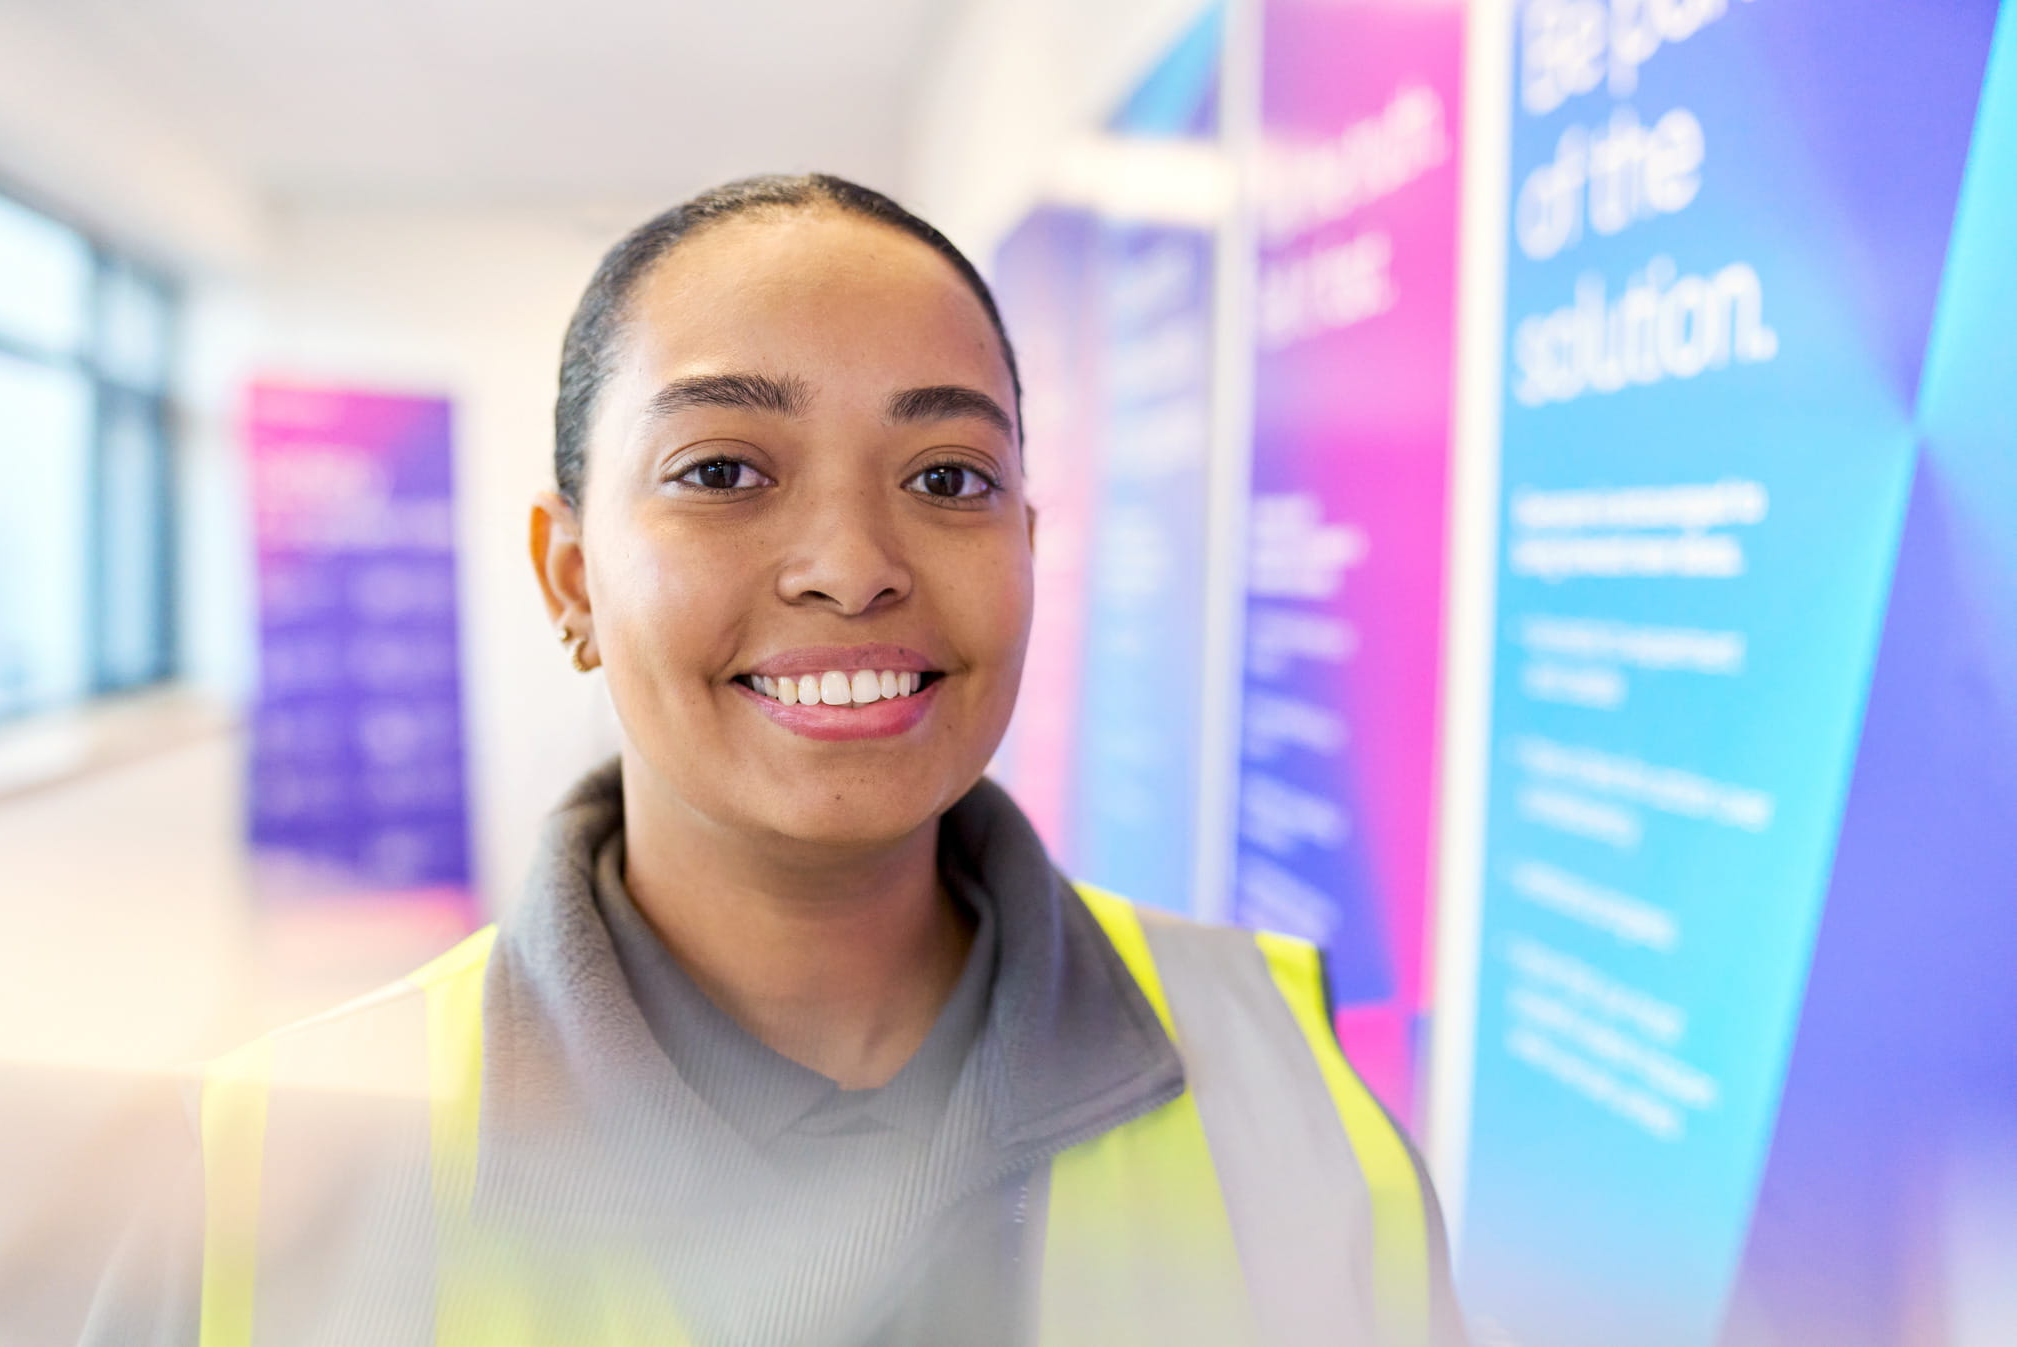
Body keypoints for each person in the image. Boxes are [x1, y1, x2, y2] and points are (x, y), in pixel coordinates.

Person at [84, 174, 1466, 1347]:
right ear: (569, 577)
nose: (854, 568)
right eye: (724, 471)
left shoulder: (1288, 1085)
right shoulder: (256, 1180)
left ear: (1028, 549)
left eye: (946, 479)